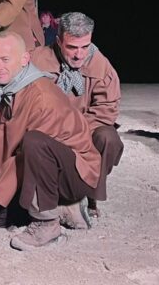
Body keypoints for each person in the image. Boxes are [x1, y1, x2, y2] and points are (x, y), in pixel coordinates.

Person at [0, 31, 99, 250]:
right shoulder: (7, 82)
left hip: (74, 173)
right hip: (36, 170)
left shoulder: (41, 97)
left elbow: (26, 155)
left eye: (5, 60)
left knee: (34, 142)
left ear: (24, 60)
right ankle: (61, 207)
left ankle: (47, 221)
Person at [31, 12, 123, 219]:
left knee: (109, 138)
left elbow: (107, 109)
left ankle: (89, 194)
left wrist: (75, 132)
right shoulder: (37, 60)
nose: (79, 55)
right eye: (72, 47)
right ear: (58, 41)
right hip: (49, 128)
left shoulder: (101, 66)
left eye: (85, 47)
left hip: (86, 128)